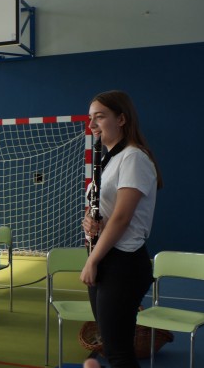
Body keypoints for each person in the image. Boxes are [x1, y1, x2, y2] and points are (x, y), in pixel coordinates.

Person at [80, 90, 162, 368]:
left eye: (100, 117)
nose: (92, 124)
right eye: (90, 118)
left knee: (119, 353)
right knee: (109, 347)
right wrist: (90, 220)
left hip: (123, 262)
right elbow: (105, 212)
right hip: (106, 258)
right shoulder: (109, 159)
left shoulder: (133, 158)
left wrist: (92, 260)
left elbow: (122, 217)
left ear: (122, 119)